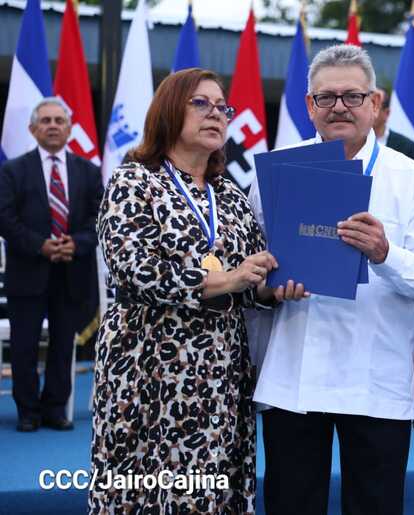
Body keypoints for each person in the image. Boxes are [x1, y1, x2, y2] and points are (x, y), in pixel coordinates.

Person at [250, 44, 414, 515]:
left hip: (374, 378)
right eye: (326, 97)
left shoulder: (410, 177)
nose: (339, 106)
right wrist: (267, 290)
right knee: (291, 504)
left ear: (374, 103)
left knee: (376, 505)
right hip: (294, 377)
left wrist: (385, 253)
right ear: (309, 105)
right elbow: (251, 268)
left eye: (353, 96)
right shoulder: (276, 170)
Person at [89, 68, 280, 513]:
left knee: (211, 488)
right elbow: (134, 269)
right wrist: (227, 279)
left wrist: (271, 290)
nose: (216, 114)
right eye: (201, 103)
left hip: (219, 369)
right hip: (147, 365)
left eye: (222, 107)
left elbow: (250, 280)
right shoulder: (134, 181)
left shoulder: (230, 195)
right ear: (169, 110)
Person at [0, 97, 103, 432]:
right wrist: (40, 246)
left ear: (70, 129)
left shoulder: (89, 171)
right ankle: (28, 412)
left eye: (59, 120)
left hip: (72, 273)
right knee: (24, 347)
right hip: (27, 273)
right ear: (33, 129)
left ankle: (55, 409)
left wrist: (77, 243)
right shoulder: (12, 170)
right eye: (46, 121)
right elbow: (5, 218)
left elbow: (100, 218)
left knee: (62, 346)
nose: (53, 126)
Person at [374, 87, 414, 162]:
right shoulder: (354, 142)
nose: (370, 112)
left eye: (375, 107)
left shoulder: (406, 146)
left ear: (387, 113)